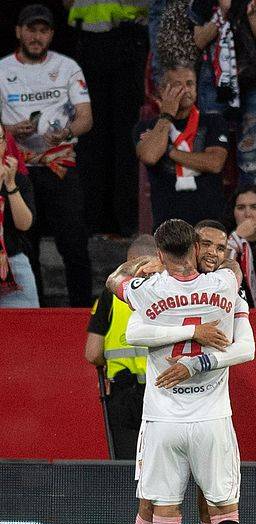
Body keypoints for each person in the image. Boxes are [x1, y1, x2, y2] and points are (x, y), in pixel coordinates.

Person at [106, 219, 254, 524]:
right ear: (194, 247)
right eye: (207, 245)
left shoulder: (147, 289)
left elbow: (119, 294)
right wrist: (198, 343)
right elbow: (245, 341)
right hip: (210, 417)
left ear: (160, 252)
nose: (215, 253)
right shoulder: (226, 285)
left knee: (163, 513)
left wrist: (141, 267)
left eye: (221, 247)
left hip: (164, 419)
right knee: (222, 509)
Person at [0, 4, 94, 307]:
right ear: (18, 31)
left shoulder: (67, 66)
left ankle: (83, 313)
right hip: (18, 170)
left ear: (51, 35)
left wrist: (65, 132)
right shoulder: (2, 69)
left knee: (74, 243)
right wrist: (11, 130)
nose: (36, 37)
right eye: (31, 30)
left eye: (43, 31)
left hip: (59, 164)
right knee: (26, 245)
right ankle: (34, 311)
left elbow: (85, 118)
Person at [68, 0, 149, 237]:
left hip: (128, 36)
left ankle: (125, 221)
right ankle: (92, 219)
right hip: (87, 39)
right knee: (91, 136)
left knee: (126, 138)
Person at [85, 236, 158, 462]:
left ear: (128, 262)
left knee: (126, 465)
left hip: (122, 394)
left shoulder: (110, 296)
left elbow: (92, 353)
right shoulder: (169, 293)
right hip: (161, 393)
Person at [190, 0, 256, 187]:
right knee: (210, 146)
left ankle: (248, 202)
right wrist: (222, 12)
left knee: (249, 152)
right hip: (214, 81)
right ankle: (210, 201)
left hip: (252, 81)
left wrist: (251, 15)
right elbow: (199, 41)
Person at [135, 63, 230, 226]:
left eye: (190, 83)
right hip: (167, 226)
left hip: (209, 226)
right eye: (178, 85)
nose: (186, 89)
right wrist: (166, 116)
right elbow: (149, 156)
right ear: (162, 91)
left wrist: (170, 151)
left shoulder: (214, 122)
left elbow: (215, 163)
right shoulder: (146, 127)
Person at [0, 129, 37, 308]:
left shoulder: (18, 179)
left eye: (0, 138)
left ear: (4, 143)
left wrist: (10, 184)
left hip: (13, 263)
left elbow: (24, 224)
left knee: (25, 323)